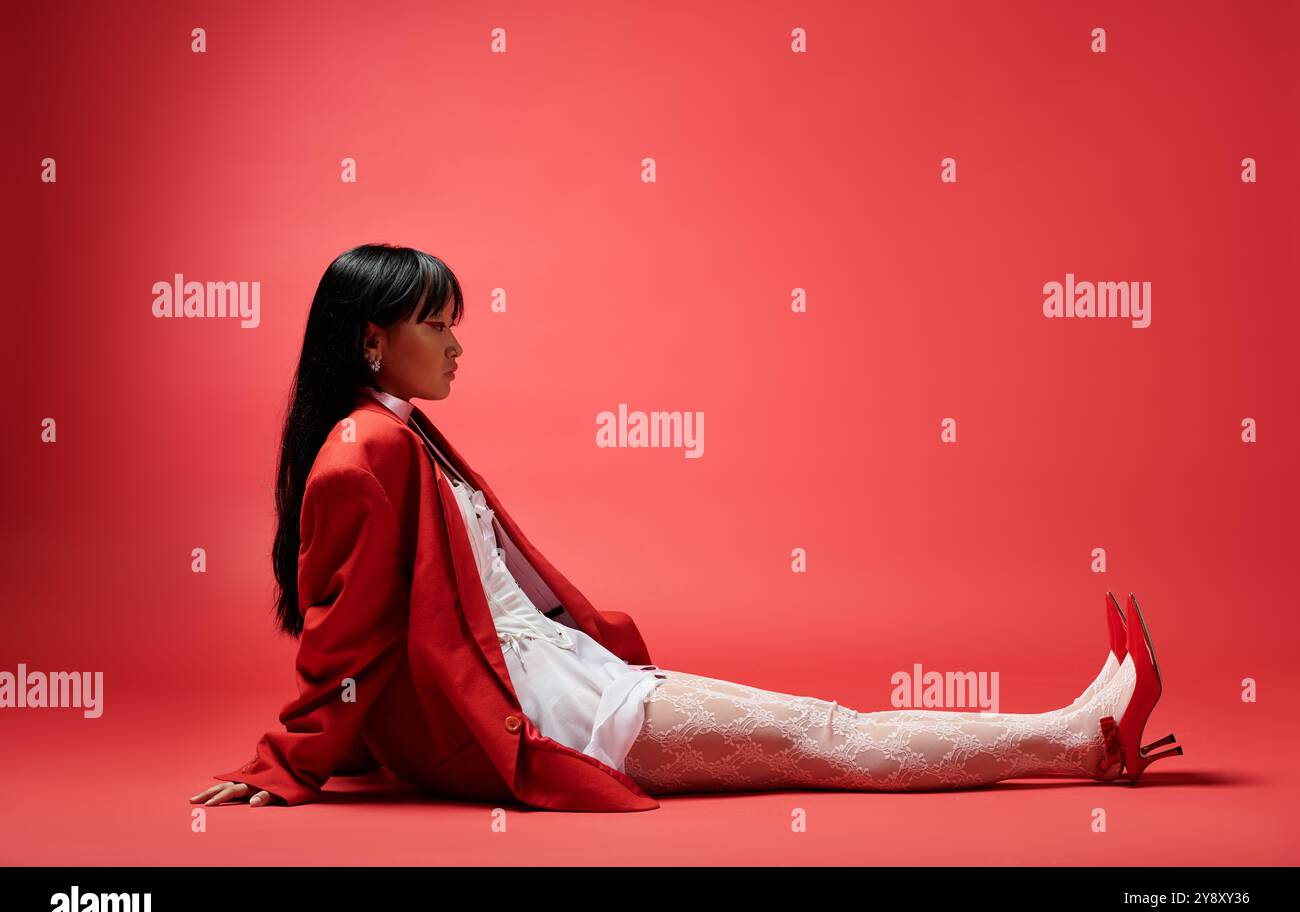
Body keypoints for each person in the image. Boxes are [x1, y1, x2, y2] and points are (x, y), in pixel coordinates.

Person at [190, 243, 1183, 811]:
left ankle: (1081, 727)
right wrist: (290, 759)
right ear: (375, 337)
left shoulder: (403, 435)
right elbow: (348, 636)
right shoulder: (365, 454)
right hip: (551, 711)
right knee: (824, 735)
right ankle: (1083, 737)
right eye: (437, 324)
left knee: (822, 729)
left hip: (569, 678)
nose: (457, 345)